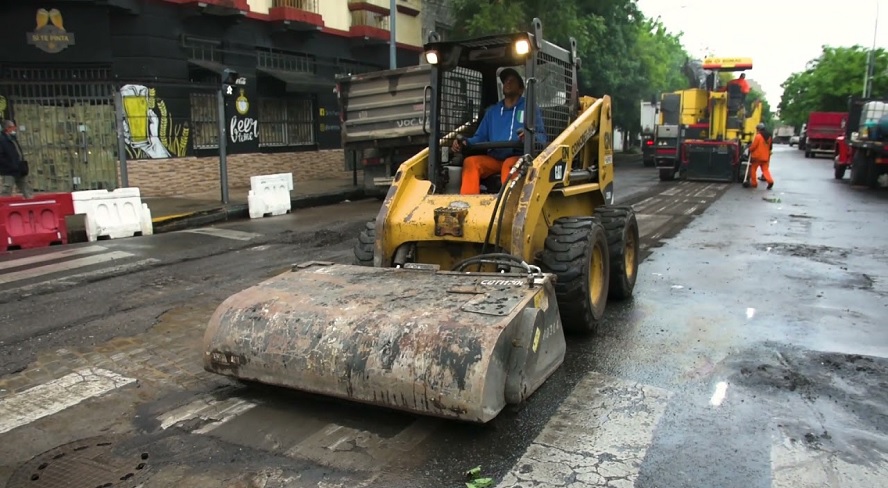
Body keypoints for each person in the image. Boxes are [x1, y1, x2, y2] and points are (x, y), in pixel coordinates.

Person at [452, 68, 546, 194]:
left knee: (509, 164)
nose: (507, 83)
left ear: (521, 89)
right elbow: (480, 137)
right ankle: (468, 204)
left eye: (512, 81)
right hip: (495, 159)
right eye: (505, 81)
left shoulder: (529, 108)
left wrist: (529, 136)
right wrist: (465, 142)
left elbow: (541, 137)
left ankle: (507, 208)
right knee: (471, 162)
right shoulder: (492, 112)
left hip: (518, 157)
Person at [0, 120, 33, 198]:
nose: (15, 129)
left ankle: (31, 203)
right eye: (13, 127)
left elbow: (18, 152)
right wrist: (10, 165)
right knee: (7, 189)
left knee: (25, 188)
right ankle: (3, 207)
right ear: (7, 128)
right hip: (8, 170)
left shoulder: (13, 138)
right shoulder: (2, 140)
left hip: (19, 167)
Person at [747, 123, 774, 190]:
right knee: (765, 170)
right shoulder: (769, 137)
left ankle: (754, 183)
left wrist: (749, 149)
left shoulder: (758, 136)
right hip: (765, 157)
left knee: (753, 169)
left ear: (758, 129)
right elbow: (770, 147)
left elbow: (754, 146)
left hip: (757, 157)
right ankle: (770, 181)